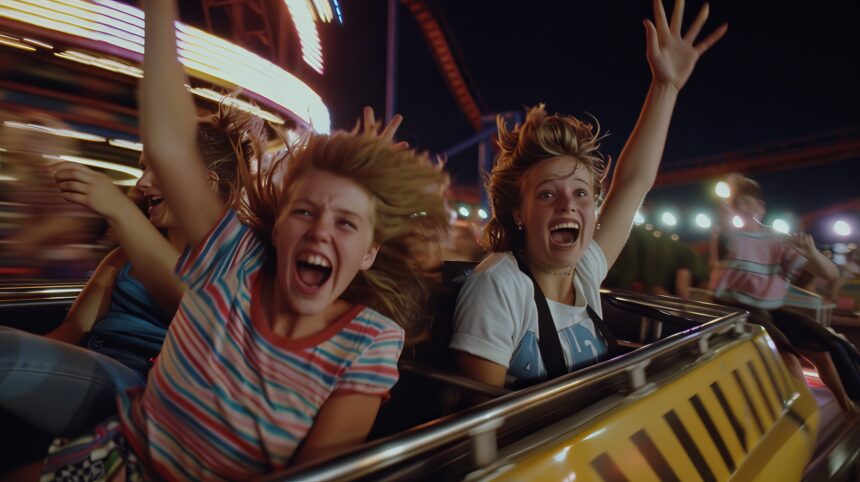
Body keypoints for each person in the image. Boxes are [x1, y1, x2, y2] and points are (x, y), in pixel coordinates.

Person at [40, 0, 450, 478]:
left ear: (369, 253)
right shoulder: (233, 256)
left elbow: (318, 472)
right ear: (278, 228)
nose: (320, 230)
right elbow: (170, 144)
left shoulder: (370, 342)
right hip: (113, 461)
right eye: (305, 210)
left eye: (346, 223)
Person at [451, 0, 727, 389]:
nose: (568, 204)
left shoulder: (584, 271)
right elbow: (484, 425)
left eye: (582, 193)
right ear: (519, 212)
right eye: (547, 194)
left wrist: (665, 86)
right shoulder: (498, 286)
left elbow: (633, 183)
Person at [0, 109, 254, 475]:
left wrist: (119, 210)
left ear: (207, 182)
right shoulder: (121, 261)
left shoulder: (235, 265)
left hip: (143, 389)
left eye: (157, 170)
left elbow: (198, 310)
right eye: (142, 167)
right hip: (91, 371)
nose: (143, 182)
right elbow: (69, 335)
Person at [712, 173, 859, 412]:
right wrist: (730, 192)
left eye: (749, 203)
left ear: (761, 208)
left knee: (826, 349)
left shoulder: (779, 240)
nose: (745, 209)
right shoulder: (730, 236)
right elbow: (723, 234)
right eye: (739, 204)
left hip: (770, 309)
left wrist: (811, 253)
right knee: (787, 354)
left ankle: (847, 404)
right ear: (732, 208)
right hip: (735, 308)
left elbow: (830, 273)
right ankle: (807, 412)